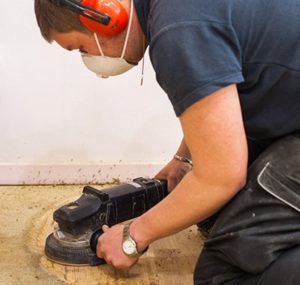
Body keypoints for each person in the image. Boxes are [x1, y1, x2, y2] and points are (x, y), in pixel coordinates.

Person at [34, 0, 300, 284]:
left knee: (225, 273)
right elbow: (224, 92)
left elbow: (222, 177)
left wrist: (132, 237)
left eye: (81, 49)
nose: (88, 59)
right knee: (212, 213)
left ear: (103, 15)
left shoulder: (179, 30)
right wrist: (183, 160)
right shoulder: (178, 11)